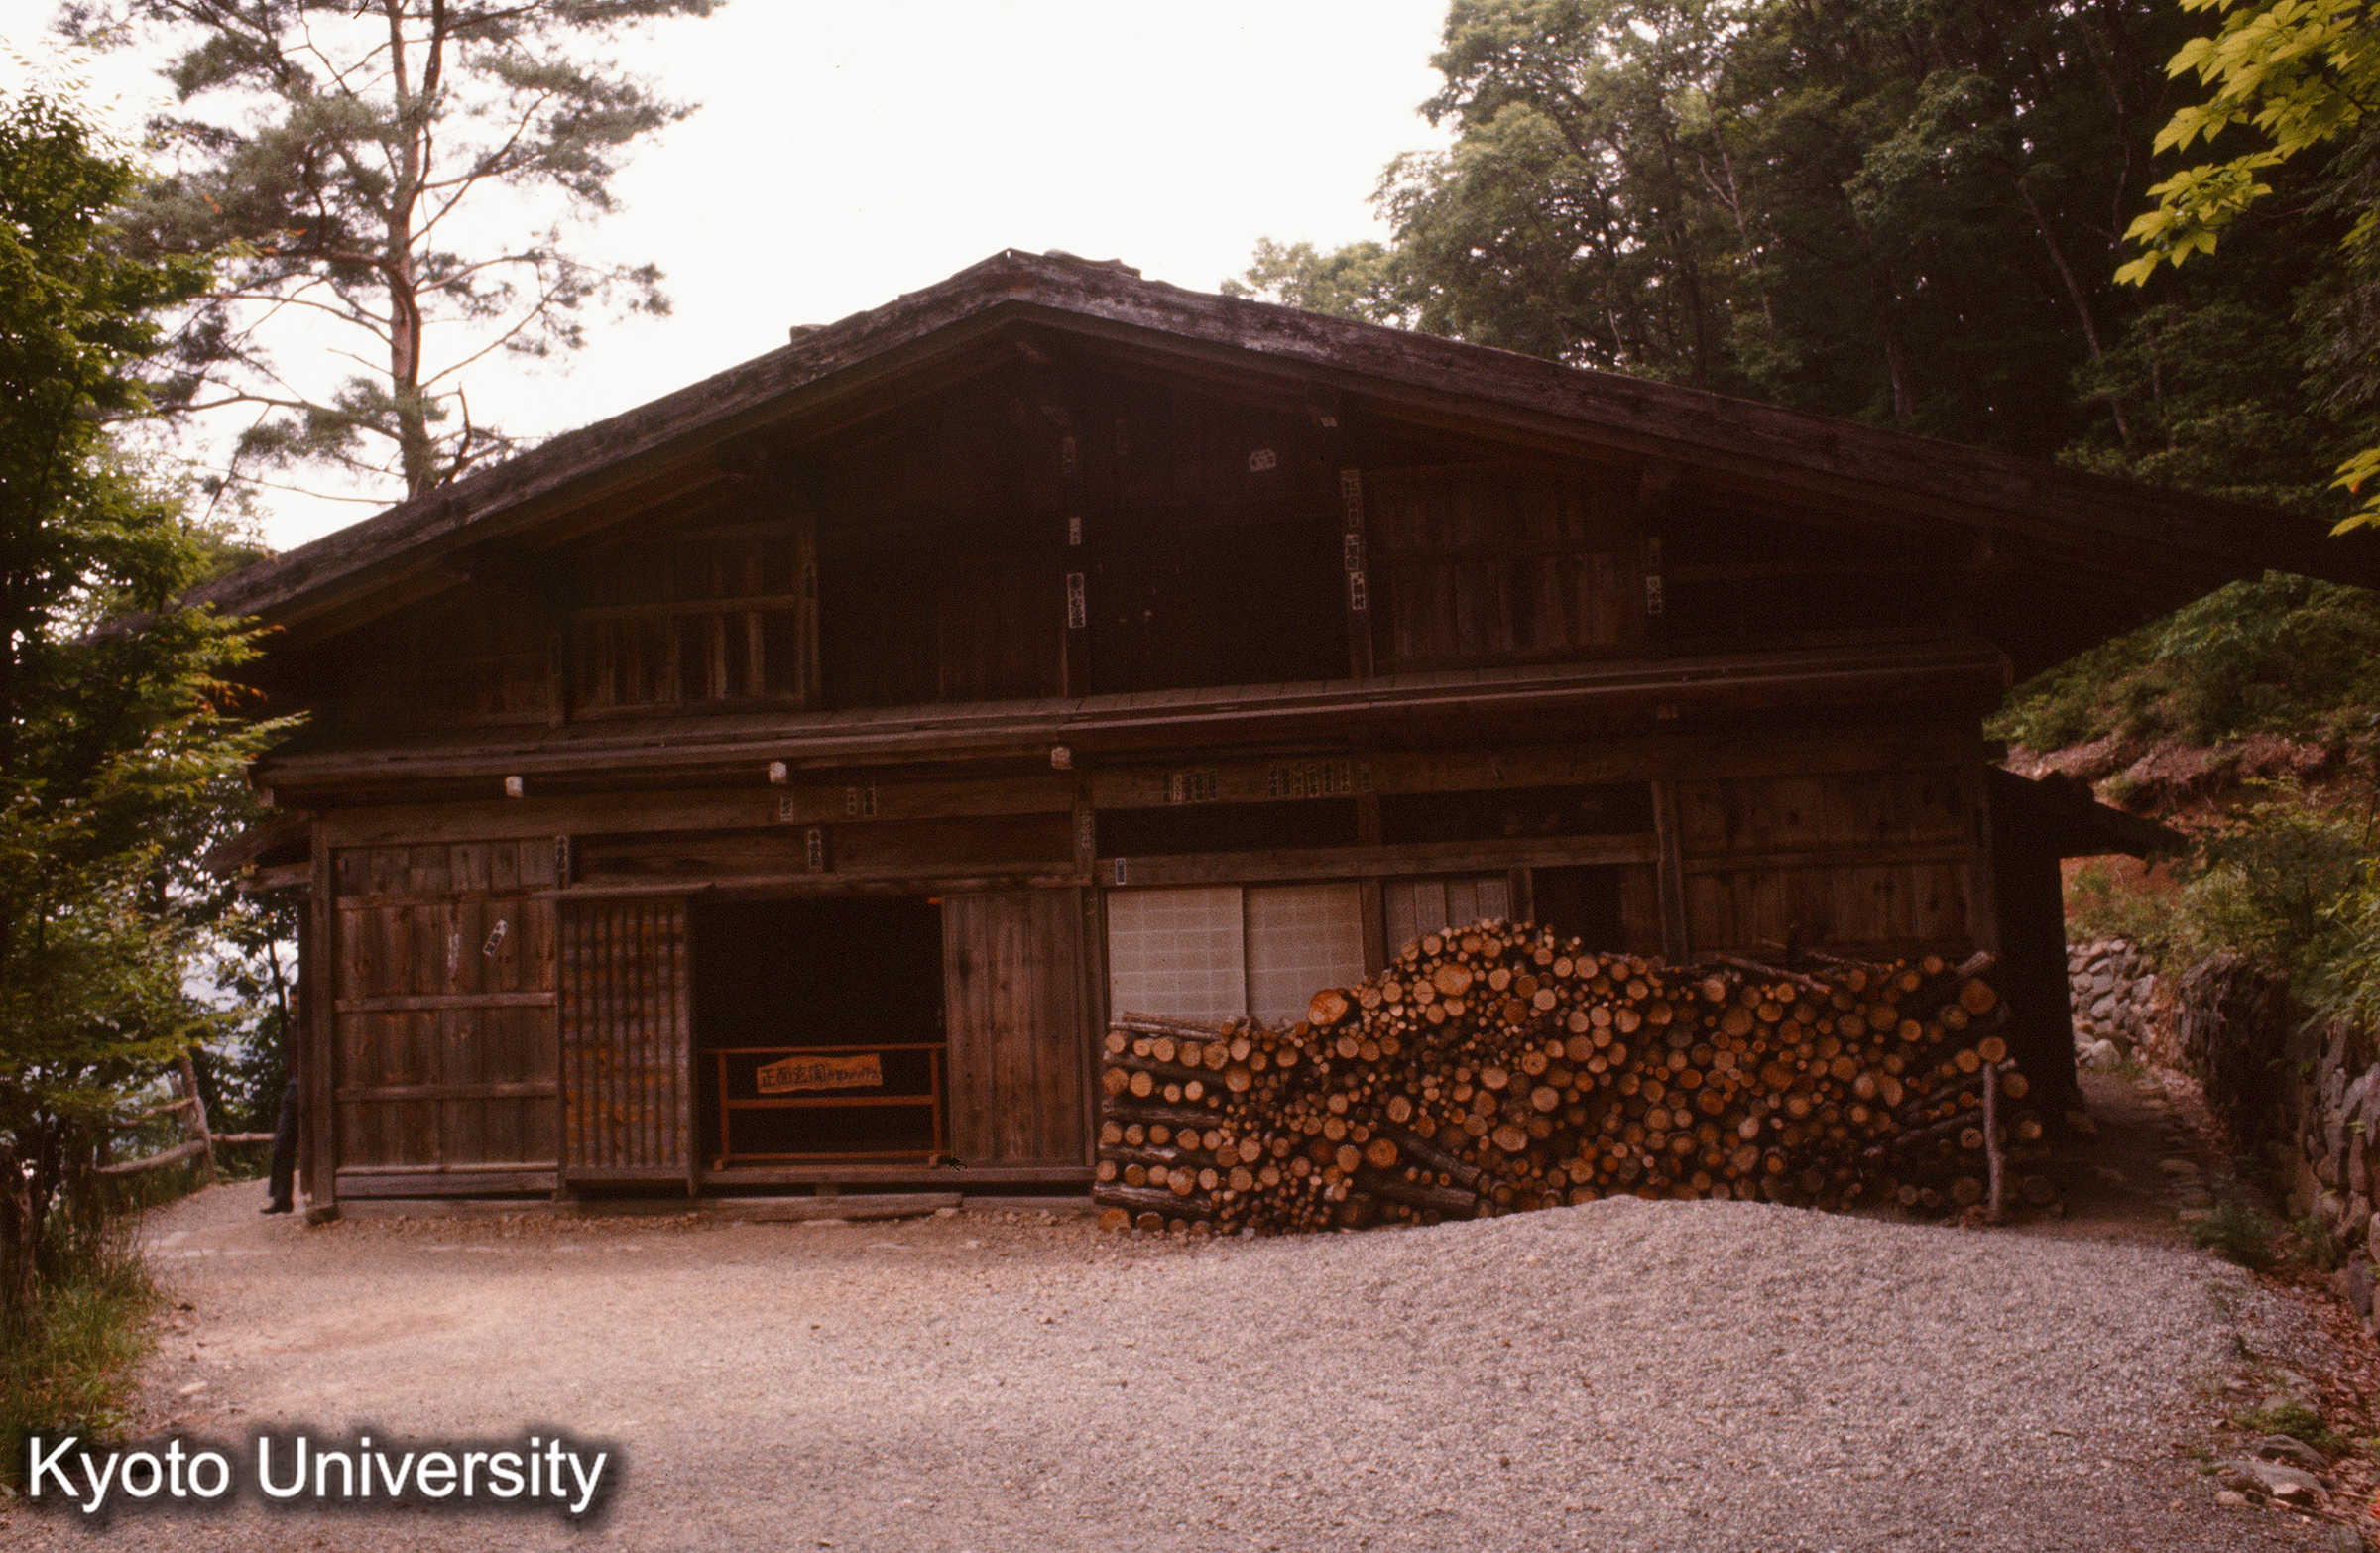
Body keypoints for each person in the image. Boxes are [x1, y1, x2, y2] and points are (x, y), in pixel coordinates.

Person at [262, 1074, 298, 1215]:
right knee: (282, 1145)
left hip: (308, 1086)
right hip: (296, 1087)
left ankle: (283, 1198)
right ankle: (282, 1198)